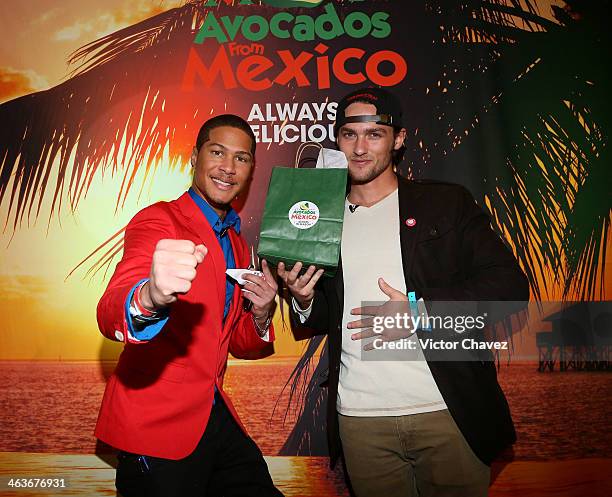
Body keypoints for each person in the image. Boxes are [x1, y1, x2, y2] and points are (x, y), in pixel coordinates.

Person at [278, 87, 529, 497]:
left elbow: (510, 288)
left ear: (398, 140)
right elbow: (325, 313)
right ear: (337, 140)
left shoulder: (445, 205)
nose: (359, 148)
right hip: (360, 421)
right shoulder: (320, 220)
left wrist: (421, 311)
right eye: (348, 134)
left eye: (374, 134)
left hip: (445, 412)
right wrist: (304, 300)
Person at [95, 114, 284, 497]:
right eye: (217, 152)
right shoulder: (158, 220)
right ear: (195, 156)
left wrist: (262, 313)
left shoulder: (238, 242)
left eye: (241, 158)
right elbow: (111, 308)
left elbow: (237, 342)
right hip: (156, 424)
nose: (228, 168)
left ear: (250, 170)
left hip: (214, 414)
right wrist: (150, 296)